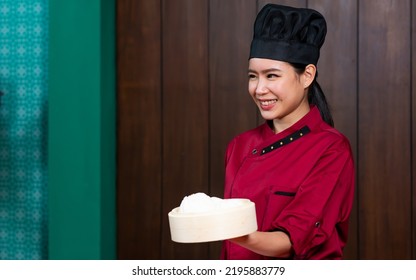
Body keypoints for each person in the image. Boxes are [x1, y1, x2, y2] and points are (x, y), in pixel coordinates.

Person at [220, 4, 355, 260]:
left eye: (272, 76)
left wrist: (222, 227)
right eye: (252, 76)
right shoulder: (239, 146)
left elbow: (290, 241)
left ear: (307, 76)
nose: (259, 89)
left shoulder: (332, 149)